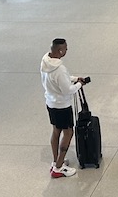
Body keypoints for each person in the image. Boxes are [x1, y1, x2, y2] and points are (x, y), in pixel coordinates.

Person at [40, 38, 87, 178]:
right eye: (65, 48)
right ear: (60, 51)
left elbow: (59, 79)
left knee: (56, 131)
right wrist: (79, 84)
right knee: (68, 133)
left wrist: (73, 78)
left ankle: (55, 161)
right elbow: (67, 90)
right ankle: (59, 167)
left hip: (51, 103)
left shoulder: (45, 61)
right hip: (62, 105)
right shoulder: (59, 69)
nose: (67, 50)